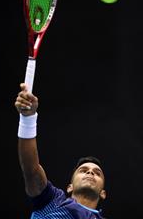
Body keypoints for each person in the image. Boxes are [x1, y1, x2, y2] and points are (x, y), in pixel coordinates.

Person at [15, 83, 107, 219]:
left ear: (103, 193)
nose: (90, 172)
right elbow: (31, 171)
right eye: (83, 170)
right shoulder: (53, 200)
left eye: (97, 173)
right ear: (70, 187)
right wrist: (28, 118)